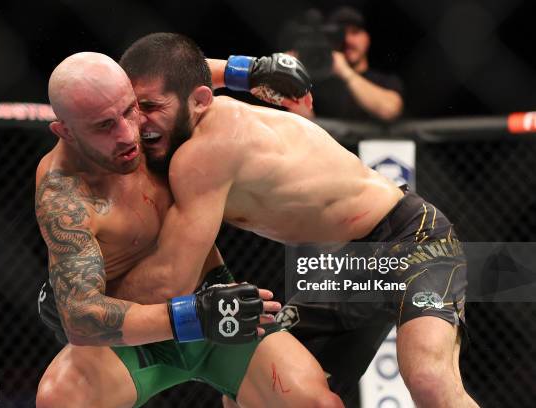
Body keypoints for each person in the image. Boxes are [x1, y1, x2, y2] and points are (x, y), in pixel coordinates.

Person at [107, 32, 477, 407]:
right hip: (347, 263)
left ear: (199, 101)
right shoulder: (181, 115)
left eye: (150, 107)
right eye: (131, 108)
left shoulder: (204, 153)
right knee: (256, 390)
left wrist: (88, 303)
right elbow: (176, 76)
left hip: (411, 237)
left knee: (430, 380)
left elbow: (173, 281)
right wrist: (243, 70)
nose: (138, 121)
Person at [35, 50, 341, 408]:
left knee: (318, 404)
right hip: (136, 336)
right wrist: (191, 316)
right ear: (65, 131)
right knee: (60, 400)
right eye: (104, 125)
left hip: (212, 300)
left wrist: (246, 72)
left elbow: (171, 76)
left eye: (130, 109)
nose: (128, 134)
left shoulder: (145, 122)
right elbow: (81, 320)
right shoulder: (64, 194)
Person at [283, 7, 404, 122]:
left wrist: (345, 71)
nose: (348, 40)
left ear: (367, 38)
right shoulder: (317, 83)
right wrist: (295, 79)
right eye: (340, 35)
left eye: (355, 32)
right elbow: (302, 125)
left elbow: (390, 110)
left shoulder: (384, 80)